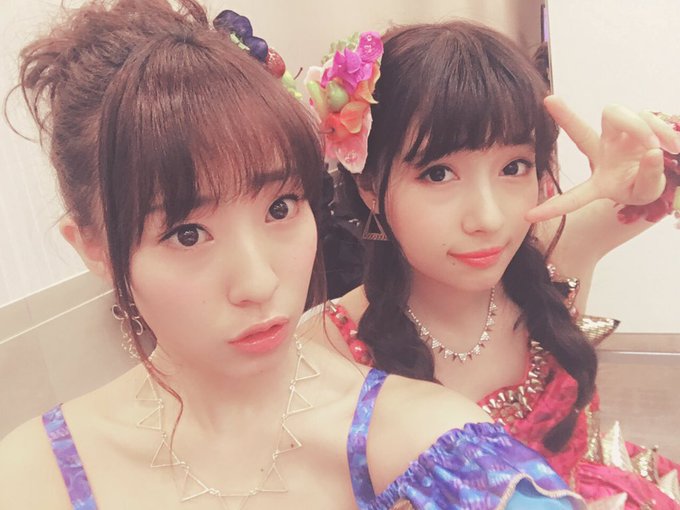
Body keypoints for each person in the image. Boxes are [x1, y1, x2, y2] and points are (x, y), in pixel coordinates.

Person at [0, 2, 587, 509]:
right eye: (187, 234)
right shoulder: (30, 475)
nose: (258, 283)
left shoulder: (433, 445)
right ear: (94, 248)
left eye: (280, 207)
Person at [302, 22, 680, 507]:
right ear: (369, 185)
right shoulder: (325, 350)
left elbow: (659, 175)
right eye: (438, 173)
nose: (489, 218)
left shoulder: (552, 253)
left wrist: (655, 152)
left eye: (513, 167)